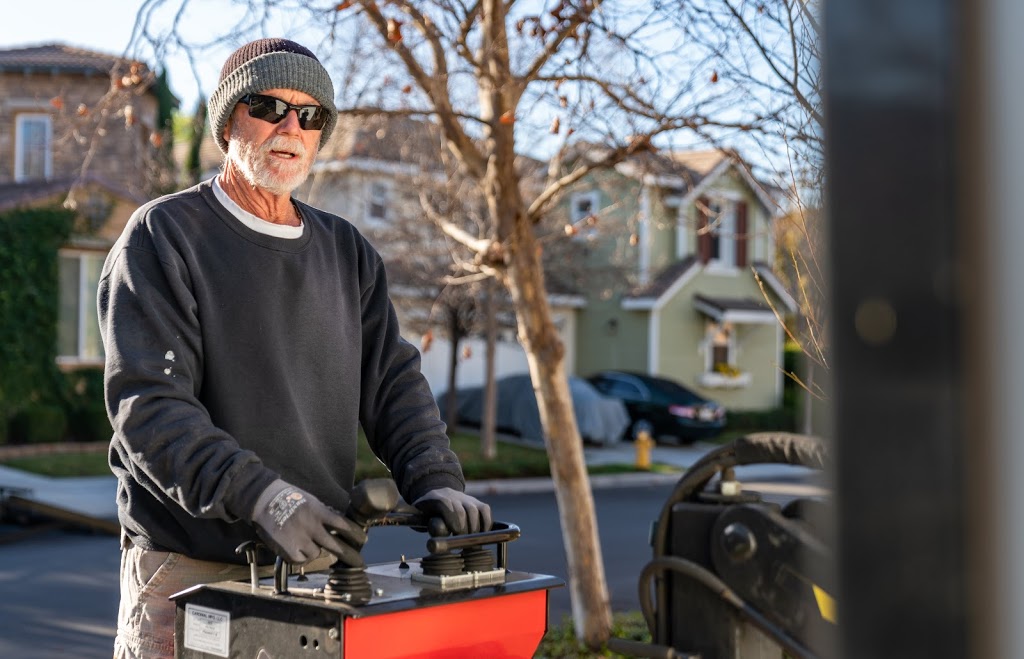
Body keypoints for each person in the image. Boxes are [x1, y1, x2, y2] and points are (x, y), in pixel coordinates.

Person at [98, 37, 491, 659]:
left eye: (311, 116)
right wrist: (264, 496)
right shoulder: (164, 236)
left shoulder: (347, 251)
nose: (291, 126)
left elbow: (393, 385)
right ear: (229, 120)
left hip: (315, 574)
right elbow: (150, 409)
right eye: (269, 105)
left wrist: (436, 480)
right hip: (192, 575)